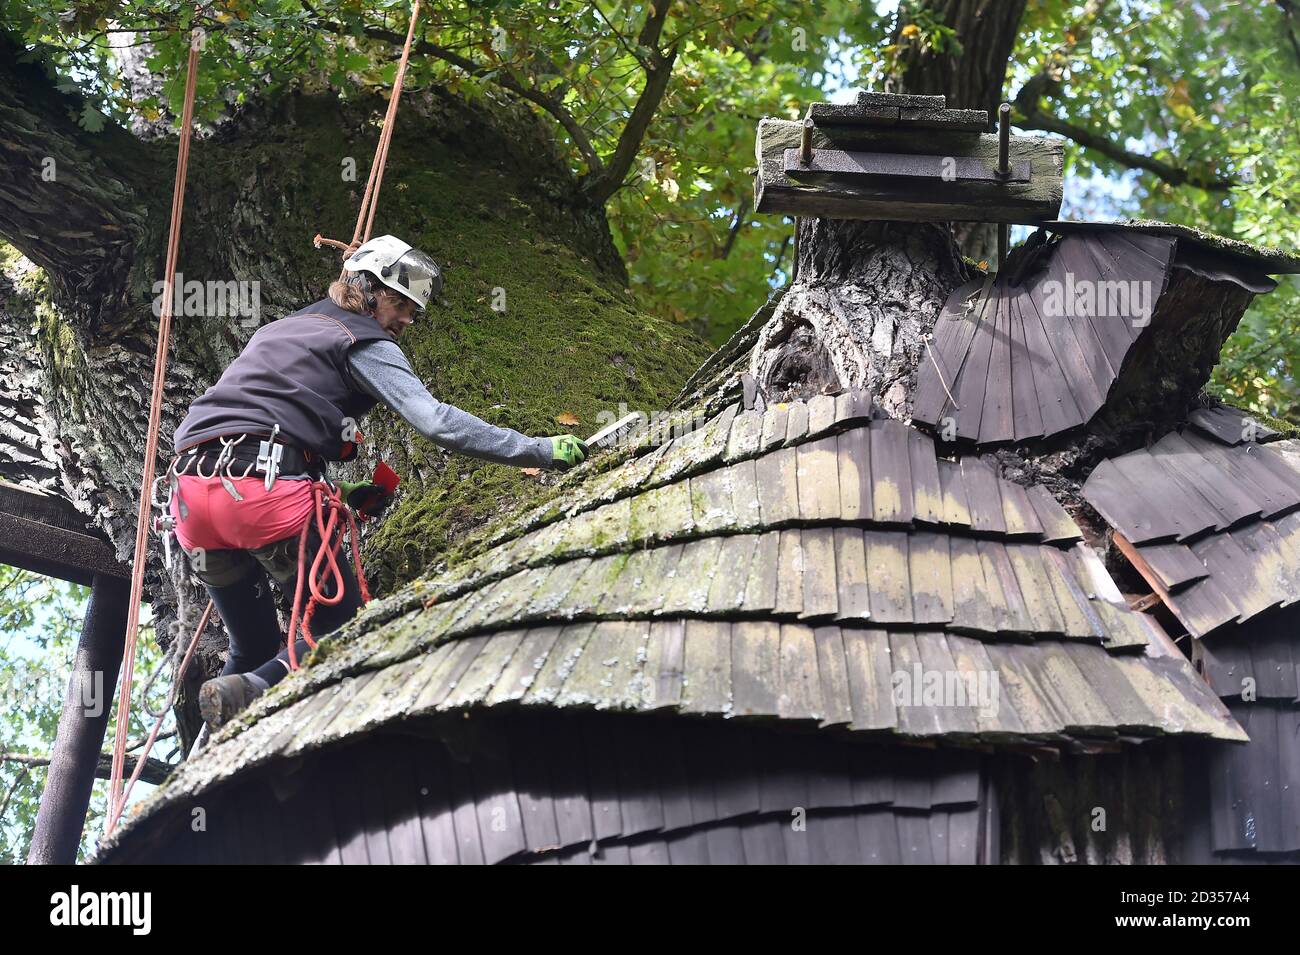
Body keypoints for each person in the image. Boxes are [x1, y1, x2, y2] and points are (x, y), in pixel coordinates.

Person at [165, 235, 588, 730]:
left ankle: (212, 750)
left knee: (251, 644)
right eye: (400, 302)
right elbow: (437, 423)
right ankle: (259, 688)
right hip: (265, 496)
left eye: (414, 309)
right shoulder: (362, 340)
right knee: (345, 628)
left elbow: (259, 420)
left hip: (192, 501)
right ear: (366, 288)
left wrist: (340, 495)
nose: (408, 319)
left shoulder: (279, 332)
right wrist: (539, 450)